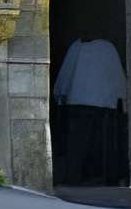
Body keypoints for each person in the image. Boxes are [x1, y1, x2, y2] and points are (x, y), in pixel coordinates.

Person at [53, 34, 126, 185]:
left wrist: (60, 94)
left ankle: (76, 178)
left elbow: (65, 76)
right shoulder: (103, 48)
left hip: (81, 104)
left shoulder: (80, 48)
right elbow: (118, 80)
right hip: (100, 106)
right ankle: (99, 179)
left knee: (79, 146)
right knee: (95, 145)